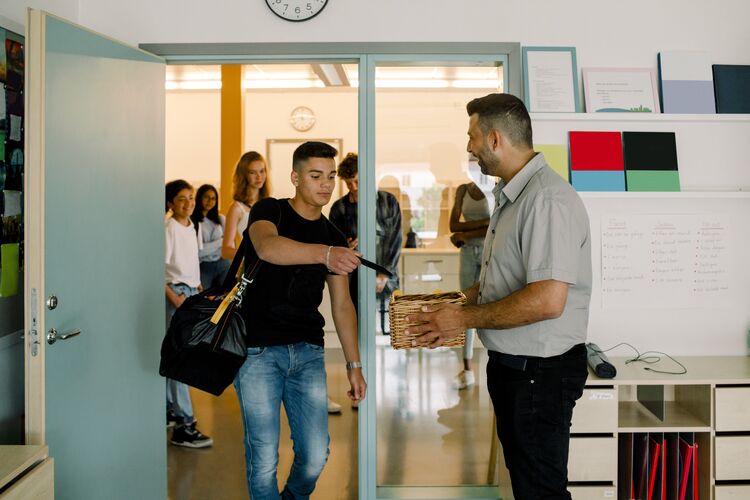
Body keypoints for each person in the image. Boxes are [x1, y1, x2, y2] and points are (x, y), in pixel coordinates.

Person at [405, 93, 592, 500]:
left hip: (539, 374)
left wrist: (462, 319)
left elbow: (547, 300)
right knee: (526, 486)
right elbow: (499, 282)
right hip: (515, 370)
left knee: (541, 491)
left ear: (494, 139)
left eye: (471, 137)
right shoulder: (512, 196)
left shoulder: (545, 199)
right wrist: (457, 303)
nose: (468, 148)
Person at [234, 141, 367, 500]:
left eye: (331, 176)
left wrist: (354, 364)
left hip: (308, 353)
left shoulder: (333, 235)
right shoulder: (269, 211)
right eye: (315, 175)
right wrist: (326, 255)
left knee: (314, 455)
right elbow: (267, 248)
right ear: (295, 177)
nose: (325, 184)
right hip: (258, 351)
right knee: (262, 457)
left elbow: (342, 305)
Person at [164, 179, 213, 449]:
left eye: (191, 197)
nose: (189, 203)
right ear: (171, 203)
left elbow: (191, 261)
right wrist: (176, 298)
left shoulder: (192, 225)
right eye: (182, 198)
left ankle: (171, 410)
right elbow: (159, 270)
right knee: (180, 361)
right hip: (177, 295)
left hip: (191, 291)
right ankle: (185, 425)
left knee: (183, 356)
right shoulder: (169, 227)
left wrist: (198, 287)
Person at [329, 153, 402, 330]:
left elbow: (395, 239)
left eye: (357, 181)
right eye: (348, 183)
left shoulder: (388, 202)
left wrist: (384, 274)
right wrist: (346, 247)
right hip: (355, 279)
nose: (353, 187)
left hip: (386, 276)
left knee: (388, 328)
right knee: (358, 327)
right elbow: (332, 247)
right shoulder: (339, 209)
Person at [448, 173, 490, 390]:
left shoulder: (494, 188)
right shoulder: (462, 189)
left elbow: (497, 223)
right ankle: (467, 369)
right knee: (465, 306)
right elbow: (453, 225)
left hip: (487, 252)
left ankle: (496, 362)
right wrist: (484, 224)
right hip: (466, 253)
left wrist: (466, 232)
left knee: (489, 304)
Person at [222, 151, 270, 260]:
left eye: (262, 171)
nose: (259, 177)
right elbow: (226, 250)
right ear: (244, 175)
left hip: (272, 266)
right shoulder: (236, 209)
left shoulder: (269, 203)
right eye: (253, 172)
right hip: (251, 269)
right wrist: (251, 256)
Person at [191, 184, 231, 289]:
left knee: (224, 298)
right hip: (203, 266)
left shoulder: (221, 219)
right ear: (199, 197)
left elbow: (229, 247)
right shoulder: (193, 221)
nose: (210, 201)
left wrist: (208, 247)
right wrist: (221, 241)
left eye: (213, 198)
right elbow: (197, 252)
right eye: (206, 197)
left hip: (223, 264)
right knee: (202, 299)